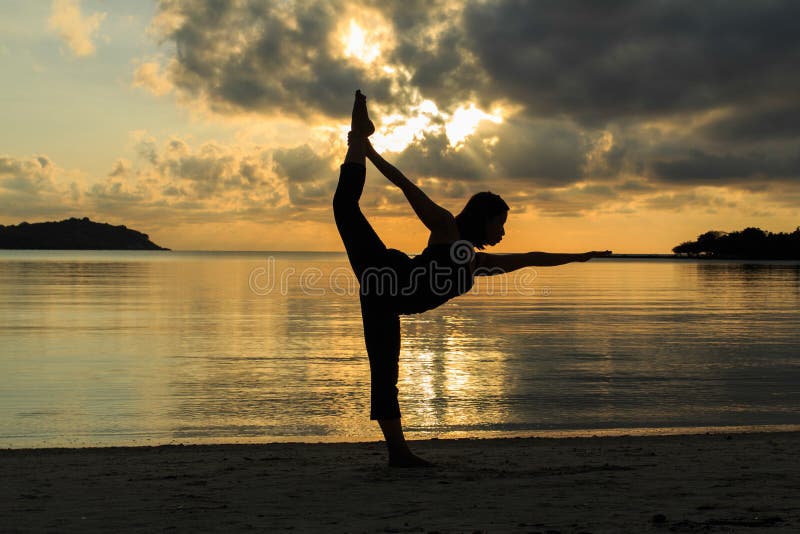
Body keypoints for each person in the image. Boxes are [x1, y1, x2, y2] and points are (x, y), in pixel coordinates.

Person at [333, 90, 611, 467]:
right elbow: (405, 186)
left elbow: (531, 259)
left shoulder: (476, 264)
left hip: (385, 302)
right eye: (501, 224)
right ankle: (357, 137)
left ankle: (399, 455)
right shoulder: (446, 228)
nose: (503, 232)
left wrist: (579, 256)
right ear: (484, 218)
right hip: (382, 273)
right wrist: (369, 151)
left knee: (386, 375)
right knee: (344, 205)